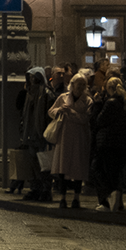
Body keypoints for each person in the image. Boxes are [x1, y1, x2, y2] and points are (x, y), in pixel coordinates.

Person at [47, 72, 94, 209]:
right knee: (63, 168)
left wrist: (71, 113)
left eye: (83, 85)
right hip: (64, 137)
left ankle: (76, 198)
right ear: (72, 84)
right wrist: (59, 110)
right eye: (79, 84)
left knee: (78, 169)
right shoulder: (63, 98)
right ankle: (62, 198)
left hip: (80, 138)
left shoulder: (88, 101)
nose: (81, 87)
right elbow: (51, 111)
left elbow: (85, 118)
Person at [90, 75, 126, 212]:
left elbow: (99, 121)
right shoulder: (125, 103)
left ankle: (106, 200)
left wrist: (97, 104)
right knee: (115, 173)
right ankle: (117, 201)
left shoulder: (110, 103)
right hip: (120, 143)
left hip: (106, 142)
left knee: (97, 169)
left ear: (109, 88)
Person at [18, 68, 54, 201]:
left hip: (41, 133)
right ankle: (36, 188)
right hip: (31, 133)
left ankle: (45, 189)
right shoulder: (29, 93)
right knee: (33, 162)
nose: (32, 80)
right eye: (30, 77)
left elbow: (48, 115)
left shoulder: (46, 94)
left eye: (34, 77)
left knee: (43, 163)